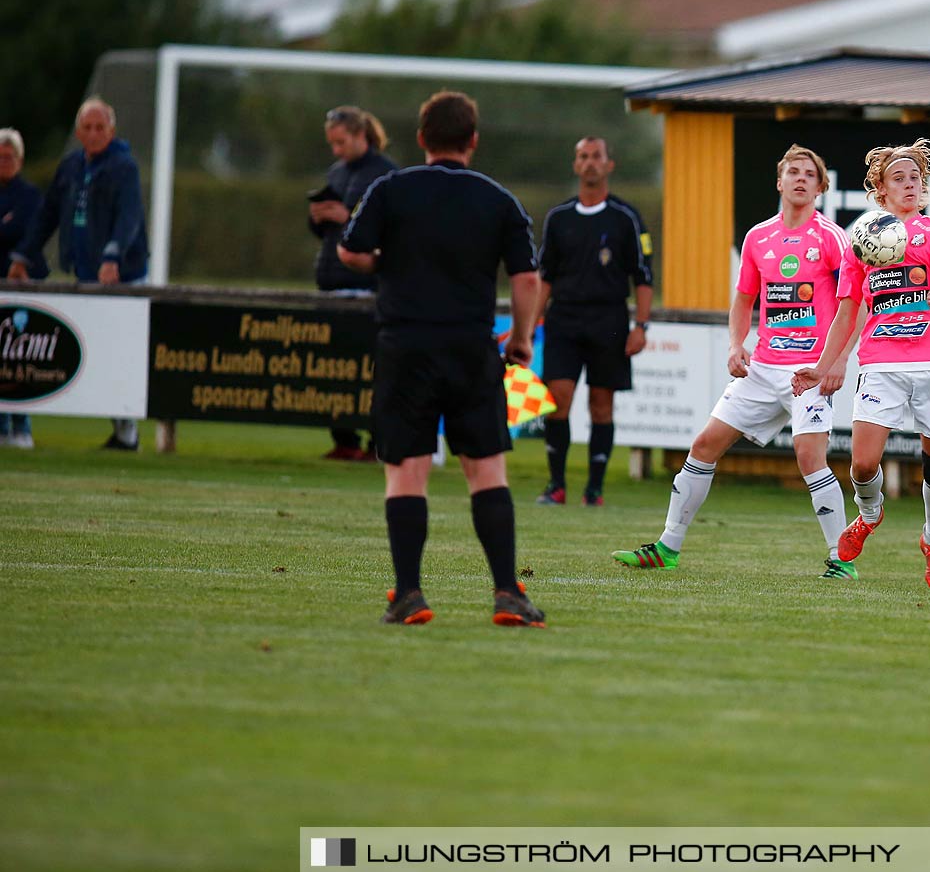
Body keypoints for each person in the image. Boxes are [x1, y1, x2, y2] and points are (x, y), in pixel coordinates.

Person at [337, 90, 546, 628]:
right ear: (473, 141)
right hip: (471, 348)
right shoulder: (498, 199)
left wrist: (388, 260)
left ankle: (409, 594)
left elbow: (350, 250)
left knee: (405, 473)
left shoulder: (391, 188)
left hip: (404, 346)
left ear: (422, 139)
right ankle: (506, 593)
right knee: (487, 472)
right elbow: (526, 278)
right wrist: (520, 340)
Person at [612, 145, 854, 576]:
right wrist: (735, 345)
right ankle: (667, 547)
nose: (800, 178)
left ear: (820, 187)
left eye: (809, 174)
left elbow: (855, 303)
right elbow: (744, 300)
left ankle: (842, 559)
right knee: (703, 445)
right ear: (779, 182)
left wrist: (835, 362)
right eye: (792, 172)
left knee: (807, 457)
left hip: (809, 369)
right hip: (762, 368)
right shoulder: (759, 237)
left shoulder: (832, 238)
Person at [793, 138, 930, 590]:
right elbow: (846, 314)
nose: (910, 184)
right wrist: (821, 364)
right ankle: (869, 516)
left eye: (916, 177)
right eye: (899, 178)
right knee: (864, 464)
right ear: (881, 190)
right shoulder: (862, 243)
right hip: (881, 363)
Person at [6, 99, 149, 451]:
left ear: (112, 132)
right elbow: (47, 215)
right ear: (78, 131)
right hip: (84, 272)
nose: (94, 133)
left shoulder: (123, 166)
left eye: (101, 127)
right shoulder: (71, 166)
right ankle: (120, 430)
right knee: (92, 353)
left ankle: (127, 431)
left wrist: (113, 256)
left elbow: (129, 218)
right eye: (88, 127)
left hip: (122, 276)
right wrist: (24, 254)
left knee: (119, 354)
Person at [531, 136, 654, 508]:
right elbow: (545, 276)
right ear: (575, 164)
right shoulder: (558, 217)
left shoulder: (626, 217)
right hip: (564, 319)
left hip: (609, 319)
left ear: (608, 164)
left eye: (596, 156)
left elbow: (643, 277)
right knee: (558, 398)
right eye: (582, 156)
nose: (589, 163)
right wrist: (532, 321)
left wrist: (641, 327)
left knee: (602, 404)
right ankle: (556, 485)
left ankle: (594, 490)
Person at [308, 106, 396, 460]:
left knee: (374, 371)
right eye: (332, 143)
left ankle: (378, 443)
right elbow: (328, 235)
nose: (336, 151)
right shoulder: (337, 172)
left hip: (368, 289)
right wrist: (318, 218)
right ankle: (345, 441)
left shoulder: (387, 174)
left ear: (362, 136)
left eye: (341, 142)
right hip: (331, 283)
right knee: (333, 370)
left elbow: (392, 232)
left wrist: (348, 218)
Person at [0, 128, 47, 448]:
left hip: (21, 288)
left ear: (20, 160)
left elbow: (29, 236)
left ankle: (22, 426)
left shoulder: (30, 196)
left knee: (21, 362)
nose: (4, 162)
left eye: (9, 157)